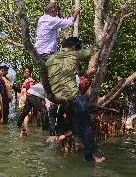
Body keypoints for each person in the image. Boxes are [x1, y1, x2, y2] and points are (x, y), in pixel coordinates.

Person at [45, 19, 118, 162]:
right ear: (73, 47)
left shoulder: (50, 58)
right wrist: (111, 31)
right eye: (77, 48)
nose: (77, 50)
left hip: (58, 98)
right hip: (73, 95)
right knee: (86, 124)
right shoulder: (73, 54)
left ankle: (74, 140)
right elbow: (97, 47)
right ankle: (90, 156)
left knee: (75, 122)